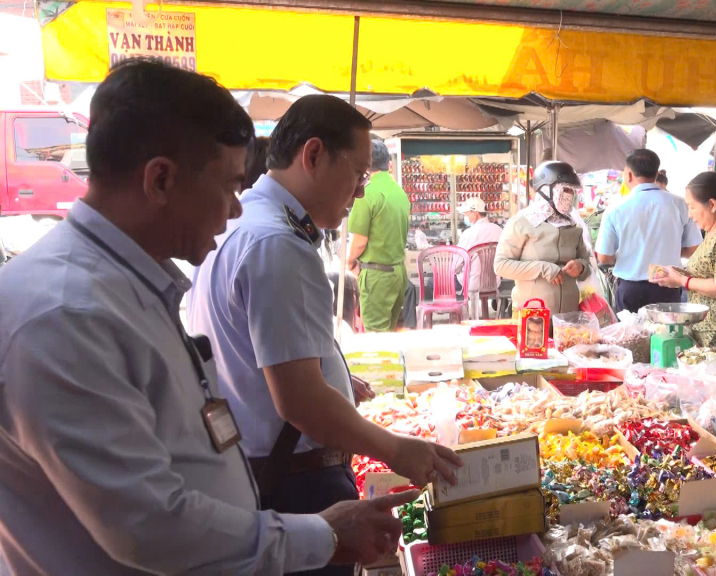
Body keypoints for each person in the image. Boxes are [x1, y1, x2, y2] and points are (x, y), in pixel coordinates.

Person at [0, 60, 416, 575]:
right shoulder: (68, 314)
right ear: (160, 180)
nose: (236, 210)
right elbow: (147, 526)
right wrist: (323, 533)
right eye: (228, 186)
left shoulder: (128, 285)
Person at [188, 94, 460, 576]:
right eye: (358, 174)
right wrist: (397, 449)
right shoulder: (277, 243)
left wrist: (330, 375)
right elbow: (301, 402)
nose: (360, 193)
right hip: (295, 483)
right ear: (313, 155)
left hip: (255, 472)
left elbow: (252, 358)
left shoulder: (243, 224)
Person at [650, 172, 716, 356]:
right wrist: (676, 275)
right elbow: (708, 273)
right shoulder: (712, 232)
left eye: (692, 207)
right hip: (708, 328)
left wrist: (682, 281)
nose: (690, 215)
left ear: (712, 205)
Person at [595, 149, 703, 313]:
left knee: (630, 330)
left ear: (628, 175)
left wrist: (627, 254)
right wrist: (670, 249)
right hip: (668, 286)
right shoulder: (681, 204)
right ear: (657, 174)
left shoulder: (615, 208)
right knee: (666, 329)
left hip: (630, 290)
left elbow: (604, 257)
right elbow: (694, 248)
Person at [495, 161, 591, 314]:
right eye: (565, 189)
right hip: (533, 315)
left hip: (568, 317)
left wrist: (581, 266)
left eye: (572, 190)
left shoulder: (573, 226)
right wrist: (543, 268)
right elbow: (501, 265)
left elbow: (587, 264)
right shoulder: (521, 222)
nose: (570, 195)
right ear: (547, 190)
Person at [347, 139, 410, 332]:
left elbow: (359, 242)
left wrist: (349, 262)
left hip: (377, 275)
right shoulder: (399, 192)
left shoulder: (366, 193)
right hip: (398, 273)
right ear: (388, 164)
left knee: (375, 337)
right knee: (388, 334)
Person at [456, 196, 503, 293]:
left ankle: (461, 302)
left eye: (466, 214)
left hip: (471, 284)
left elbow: (456, 265)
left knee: (432, 282)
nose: (465, 216)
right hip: (495, 283)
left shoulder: (469, 233)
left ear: (475, 213)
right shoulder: (499, 230)